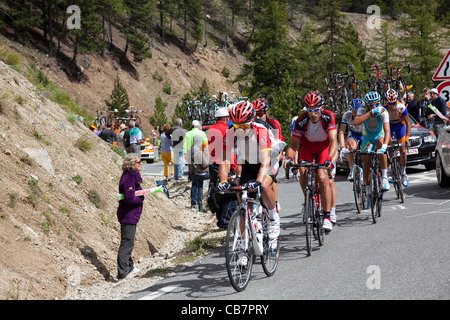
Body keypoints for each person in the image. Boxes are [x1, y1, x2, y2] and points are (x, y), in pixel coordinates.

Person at [218, 101, 280, 241]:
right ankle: (244, 247)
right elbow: (225, 160)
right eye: (237, 125)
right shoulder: (230, 133)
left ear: (252, 121)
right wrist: (223, 181)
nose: (240, 129)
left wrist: (257, 182)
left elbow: (265, 162)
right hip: (249, 162)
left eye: (244, 126)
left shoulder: (261, 131)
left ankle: (273, 217)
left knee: (263, 186)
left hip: (269, 160)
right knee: (244, 203)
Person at [284, 90, 337, 232]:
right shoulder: (301, 121)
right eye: (309, 110)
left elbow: (333, 141)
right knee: (303, 171)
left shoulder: (328, 117)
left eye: (316, 110)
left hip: (324, 148)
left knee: (322, 176)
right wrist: (289, 158)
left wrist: (330, 159)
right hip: (307, 147)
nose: (313, 114)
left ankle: (326, 216)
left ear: (322, 107)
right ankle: (308, 199)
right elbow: (294, 145)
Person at [354, 91, 391, 208]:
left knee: (381, 147)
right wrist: (370, 113)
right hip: (367, 137)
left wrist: (385, 145)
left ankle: (384, 177)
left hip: (379, 134)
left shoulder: (383, 111)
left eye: (376, 104)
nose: (374, 106)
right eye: (371, 104)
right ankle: (369, 191)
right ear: (367, 104)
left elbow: (387, 131)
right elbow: (356, 123)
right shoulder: (362, 110)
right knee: (366, 162)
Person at [116, 153, 144, 280]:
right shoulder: (129, 178)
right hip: (128, 215)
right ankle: (123, 272)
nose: (141, 163)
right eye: (139, 162)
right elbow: (129, 198)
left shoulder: (132, 176)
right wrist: (141, 199)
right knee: (127, 243)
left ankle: (129, 267)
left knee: (129, 241)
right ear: (132, 164)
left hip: (130, 215)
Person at [384, 89, 411, 187]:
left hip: (400, 125)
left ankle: (404, 174)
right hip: (389, 126)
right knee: (389, 146)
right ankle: (389, 170)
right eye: (390, 103)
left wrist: (407, 138)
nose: (392, 106)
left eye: (394, 103)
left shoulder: (401, 107)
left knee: (403, 150)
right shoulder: (384, 108)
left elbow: (408, 123)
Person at [184, 120, 208, 210]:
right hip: (200, 168)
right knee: (200, 185)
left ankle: (193, 203)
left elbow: (185, 147)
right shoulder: (202, 134)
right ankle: (201, 205)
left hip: (192, 166)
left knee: (194, 184)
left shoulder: (187, 134)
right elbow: (206, 146)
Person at [339, 98, 364, 182]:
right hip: (354, 134)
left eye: (358, 111)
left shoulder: (365, 114)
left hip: (365, 134)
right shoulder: (347, 115)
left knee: (366, 152)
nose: (356, 113)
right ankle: (352, 170)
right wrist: (342, 147)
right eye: (354, 111)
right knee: (352, 148)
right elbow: (342, 131)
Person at [193, 142, 210, 212]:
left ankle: (200, 206)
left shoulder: (197, 153)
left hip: (197, 174)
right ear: (202, 147)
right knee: (214, 178)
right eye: (206, 147)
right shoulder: (201, 154)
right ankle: (209, 199)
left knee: (199, 189)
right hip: (203, 174)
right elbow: (204, 164)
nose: (207, 149)